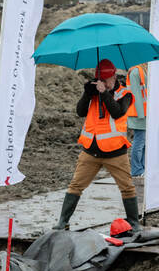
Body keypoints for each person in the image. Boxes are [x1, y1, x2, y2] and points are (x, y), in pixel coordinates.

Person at [54, 59, 140, 231]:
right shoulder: (94, 93)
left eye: (107, 80)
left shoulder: (126, 94)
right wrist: (87, 93)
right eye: (101, 80)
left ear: (114, 76)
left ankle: (134, 223)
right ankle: (62, 222)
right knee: (76, 185)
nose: (104, 83)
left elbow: (117, 112)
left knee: (127, 188)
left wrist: (104, 94)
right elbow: (80, 112)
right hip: (90, 151)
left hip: (115, 153)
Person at [125, 63, 148, 177]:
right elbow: (136, 95)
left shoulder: (142, 70)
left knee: (144, 142)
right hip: (139, 113)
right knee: (139, 142)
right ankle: (136, 170)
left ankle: (143, 168)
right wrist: (141, 114)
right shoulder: (135, 72)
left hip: (144, 113)